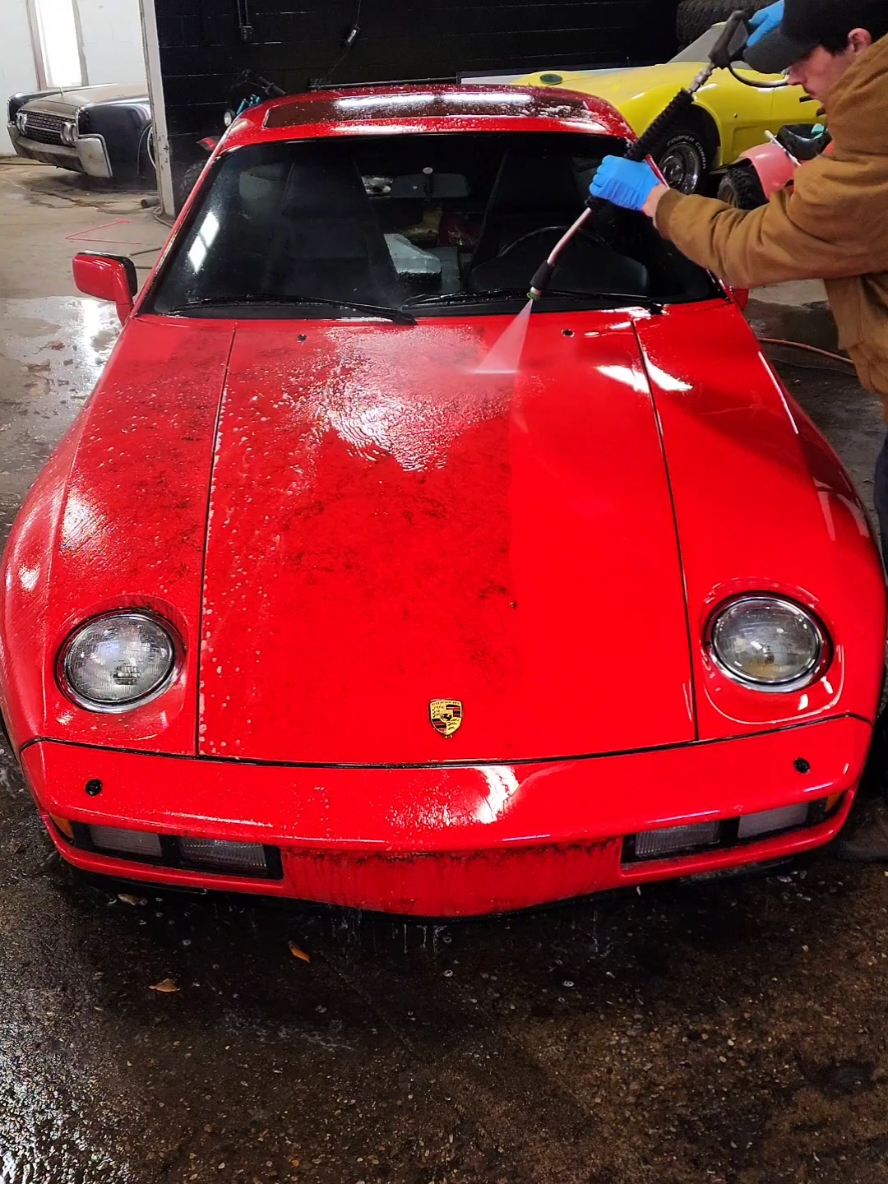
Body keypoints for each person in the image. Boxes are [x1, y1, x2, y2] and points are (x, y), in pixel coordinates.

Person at [590, 0, 888, 860]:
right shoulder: (860, 129)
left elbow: (752, 249)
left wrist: (656, 202)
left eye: (804, 61)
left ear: (858, 42)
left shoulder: (868, 164)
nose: (795, 79)